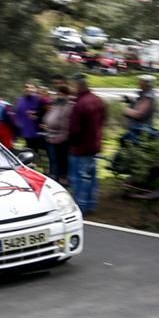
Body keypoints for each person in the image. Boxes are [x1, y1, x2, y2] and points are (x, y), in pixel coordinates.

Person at [67, 73, 107, 215]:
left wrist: (72, 143)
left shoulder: (80, 105)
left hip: (80, 148)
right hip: (94, 145)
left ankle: (80, 208)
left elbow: (74, 129)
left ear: (78, 85)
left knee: (79, 179)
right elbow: (103, 120)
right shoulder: (98, 100)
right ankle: (91, 205)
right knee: (91, 177)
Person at [42, 81, 74, 184]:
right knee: (53, 159)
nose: (58, 96)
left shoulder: (69, 106)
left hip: (62, 138)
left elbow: (66, 122)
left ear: (66, 94)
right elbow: (49, 116)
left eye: (61, 94)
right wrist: (47, 122)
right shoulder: (55, 104)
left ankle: (63, 178)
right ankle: (54, 177)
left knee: (62, 159)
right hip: (50, 136)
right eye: (58, 93)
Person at [121, 74, 159, 144]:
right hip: (137, 130)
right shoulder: (145, 95)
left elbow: (139, 114)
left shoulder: (148, 97)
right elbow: (140, 105)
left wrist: (125, 110)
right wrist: (131, 101)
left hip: (139, 132)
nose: (138, 82)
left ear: (147, 84)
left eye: (141, 81)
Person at [15, 82, 46, 152]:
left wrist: (37, 116)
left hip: (35, 132)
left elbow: (44, 113)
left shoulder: (38, 100)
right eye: (26, 87)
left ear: (34, 89)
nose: (28, 89)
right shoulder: (20, 100)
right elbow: (17, 114)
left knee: (34, 152)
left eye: (31, 87)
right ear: (23, 89)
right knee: (26, 151)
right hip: (24, 132)